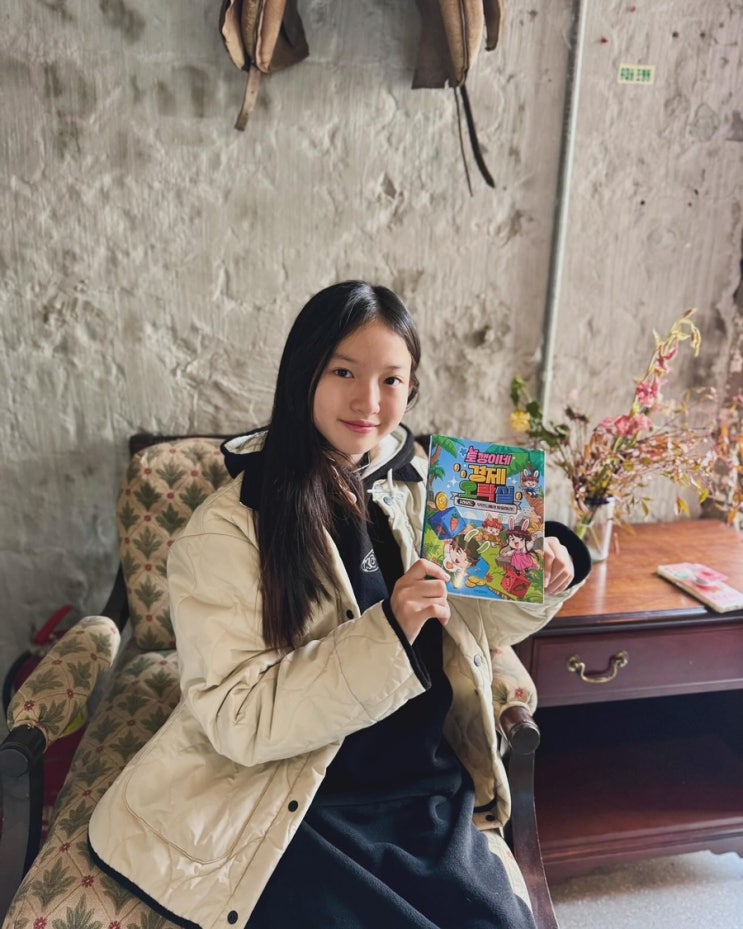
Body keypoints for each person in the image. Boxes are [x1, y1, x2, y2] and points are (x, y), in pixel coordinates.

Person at [89, 281, 590, 929]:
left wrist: (542, 575)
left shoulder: (430, 485)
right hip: (297, 798)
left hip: (424, 782)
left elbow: (474, 624)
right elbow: (239, 716)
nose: (368, 401)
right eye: (344, 372)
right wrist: (390, 630)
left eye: (391, 379)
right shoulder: (229, 528)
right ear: (304, 374)